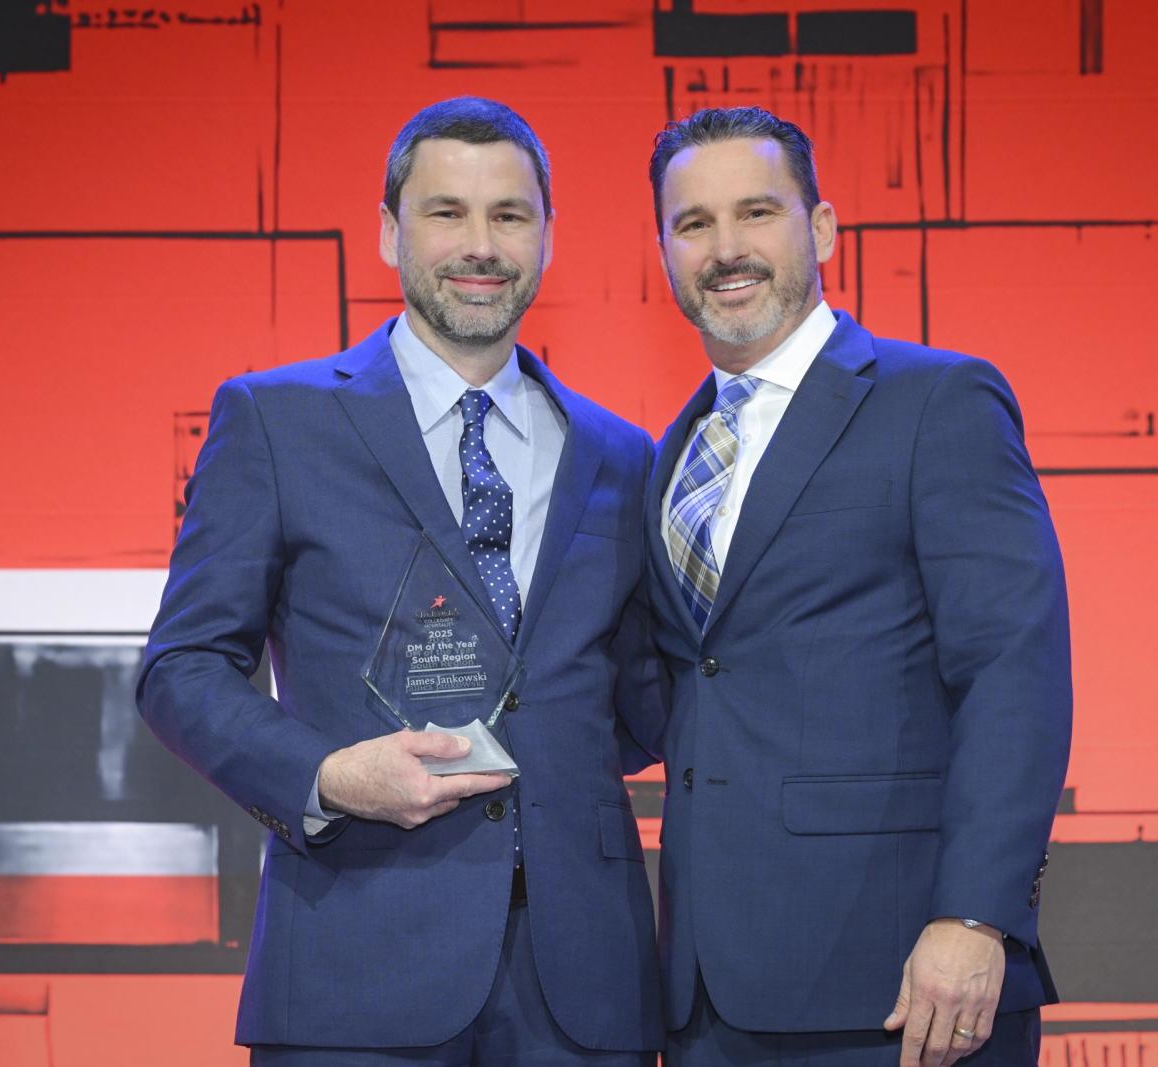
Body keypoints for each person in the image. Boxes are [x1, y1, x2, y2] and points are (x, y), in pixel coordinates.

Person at [138, 97, 663, 1065]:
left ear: (547, 236)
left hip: (586, 985)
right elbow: (181, 668)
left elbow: (632, 697)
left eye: (509, 215)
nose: (480, 244)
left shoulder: (621, 454)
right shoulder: (274, 420)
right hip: (353, 965)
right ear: (387, 231)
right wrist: (327, 776)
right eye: (444, 211)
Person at [643, 106, 1072, 1066]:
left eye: (757, 212)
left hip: (908, 987)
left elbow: (1013, 669)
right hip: (709, 1000)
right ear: (664, 252)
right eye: (693, 223)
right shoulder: (669, 453)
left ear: (823, 228)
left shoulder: (937, 400)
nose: (726, 249)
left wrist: (976, 915)